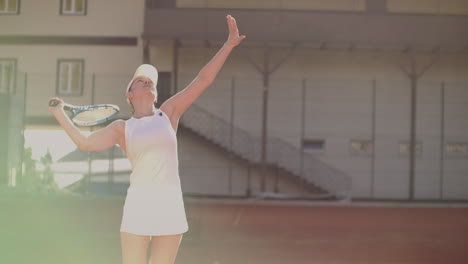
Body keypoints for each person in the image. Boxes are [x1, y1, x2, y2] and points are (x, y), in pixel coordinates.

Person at [48, 15, 245, 264]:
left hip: (170, 204)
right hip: (138, 206)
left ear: (154, 94)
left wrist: (228, 45)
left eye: (150, 81)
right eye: (140, 80)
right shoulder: (122, 128)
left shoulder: (168, 112)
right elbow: (84, 143)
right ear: (129, 94)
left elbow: (203, 80)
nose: (147, 81)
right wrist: (59, 114)